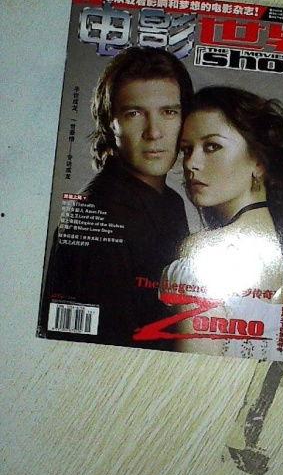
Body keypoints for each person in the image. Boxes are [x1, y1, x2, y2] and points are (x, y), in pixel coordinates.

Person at [155, 86, 283, 361]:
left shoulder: (202, 248)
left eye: (212, 146)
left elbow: (194, 374)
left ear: (258, 161)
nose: (191, 164)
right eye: (186, 150)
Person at [41, 47, 194, 348]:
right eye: (134, 113)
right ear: (110, 124)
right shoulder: (96, 214)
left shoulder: (170, 201)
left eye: (168, 112)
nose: (154, 132)